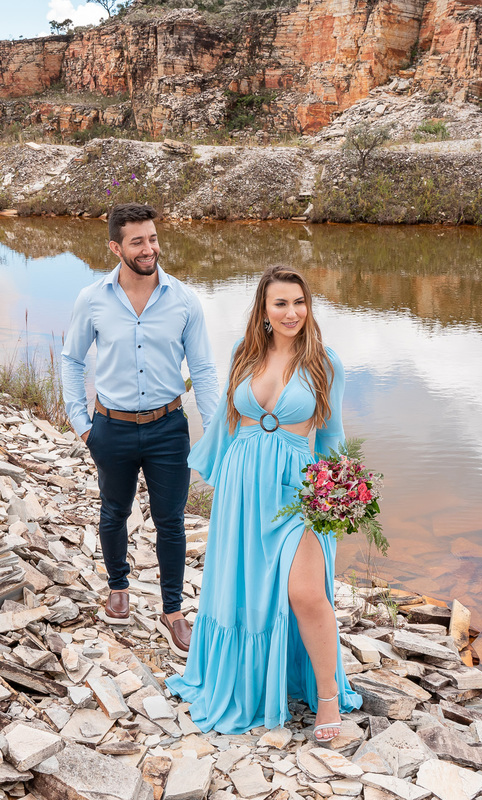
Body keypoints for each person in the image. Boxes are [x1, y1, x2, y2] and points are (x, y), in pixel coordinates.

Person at [165, 265, 362, 740]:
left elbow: (331, 437)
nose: (292, 312)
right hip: (243, 488)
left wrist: (338, 497)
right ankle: (247, 685)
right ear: (264, 310)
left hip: (296, 491)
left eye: (299, 302)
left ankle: (329, 700)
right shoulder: (244, 352)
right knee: (246, 593)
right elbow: (228, 423)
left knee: (306, 593)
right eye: (281, 303)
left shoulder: (324, 361)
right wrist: (203, 470)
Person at [61, 203, 219, 658]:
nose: (149, 248)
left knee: (171, 522)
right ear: (116, 247)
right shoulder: (91, 299)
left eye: (152, 238)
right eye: (137, 242)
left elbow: (204, 368)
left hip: (169, 427)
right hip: (110, 427)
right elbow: (72, 360)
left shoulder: (184, 299)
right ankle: (118, 587)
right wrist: (81, 424)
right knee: (114, 512)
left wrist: (213, 429)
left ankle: (173, 611)